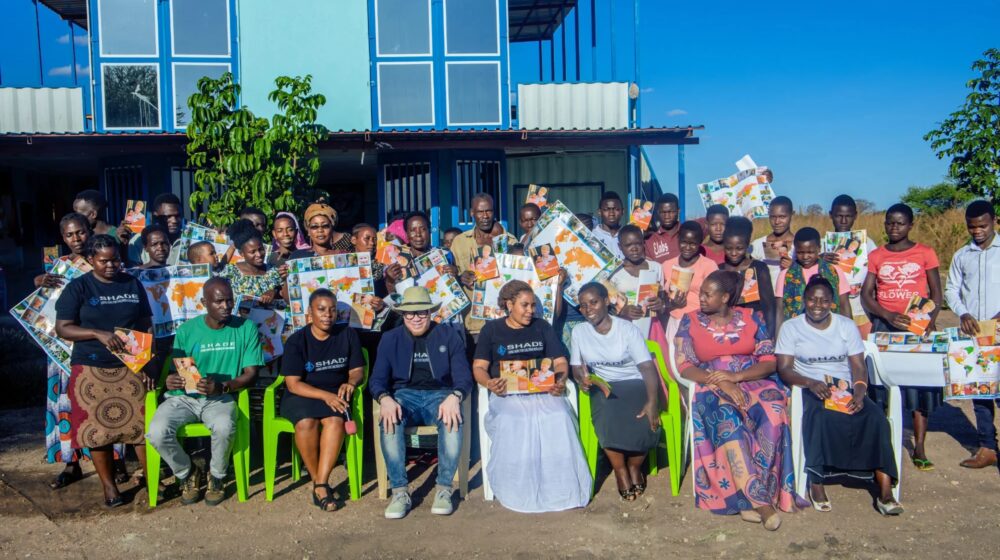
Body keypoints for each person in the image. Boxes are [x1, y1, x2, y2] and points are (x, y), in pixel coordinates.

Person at [673, 270, 797, 530]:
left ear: (726, 297)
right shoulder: (690, 320)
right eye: (702, 293)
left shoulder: (753, 317)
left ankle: (756, 493)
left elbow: (768, 360)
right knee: (728, 418)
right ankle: (760, 503)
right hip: (711, 383)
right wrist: (722, 381)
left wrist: (737, 376)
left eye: (708, 294)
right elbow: (685, 366)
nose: (702, 298)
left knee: (774, 411)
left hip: (751, 378)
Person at [775, 277, 902, 515]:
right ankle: (817, 481)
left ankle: (885, 492)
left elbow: (857, 364)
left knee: (875, 418)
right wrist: (809, 382)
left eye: (823, 300)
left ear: (832, 302)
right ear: (804, 300)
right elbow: (784, 368)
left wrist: (861, 390)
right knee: (820, 417)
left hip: (845, 387)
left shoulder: (845, 325)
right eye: (812, 299)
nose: (817, 305)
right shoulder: (791, 327)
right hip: (811, 387)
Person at [54, 234, 155, 507]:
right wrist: (96, 333)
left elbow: (145, 323)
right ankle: (109, 488)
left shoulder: (132, 283)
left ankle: (150, 478)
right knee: (98, 429)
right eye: (104, 261)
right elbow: (62, 327)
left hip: (130, 364)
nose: (112, 265)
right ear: (90, 261)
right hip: (91, 366)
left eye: (116, 260)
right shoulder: (78, 288)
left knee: (140, 425)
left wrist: (144, 361)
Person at [473, 280, 591, 512]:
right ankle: (517, 486)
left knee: (558, 417)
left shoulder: (542, 327)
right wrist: (489, 383)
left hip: (542, 392)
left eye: (533, 305)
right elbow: (479, 367)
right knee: (515, 421)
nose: (531, 311)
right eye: (525, 305)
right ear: (509, 304)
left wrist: (559, 380)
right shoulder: (492, 330)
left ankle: (559, 487)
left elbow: (559, 361)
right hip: (507, 395)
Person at [147, 277, 263, 506]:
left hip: (220, 397)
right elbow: (179, 370)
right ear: (204, 302)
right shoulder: (187, 330)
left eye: (230, 300)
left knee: (224, 426)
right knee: (157, 432)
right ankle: (187, 472)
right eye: (219, 301)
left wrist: (224, 386)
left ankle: (217, 476)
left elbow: (251, 374)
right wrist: (173, 380)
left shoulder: (245, 327)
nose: (226, 306)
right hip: (184, 399)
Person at [38, 213, 125, 489]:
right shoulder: (60, 266)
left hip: (99, 348)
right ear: (62, 238)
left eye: (80, 233)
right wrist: (39, 281)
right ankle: (71, 462)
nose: (76, 239)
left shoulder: (106, 261)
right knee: (67, 405)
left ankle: (115, 461)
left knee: (107, 403)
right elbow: (43, 304)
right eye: (69, 235)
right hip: (63, 346)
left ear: (90, 230)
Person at [370, 286, 473, 519]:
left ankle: (444, 489)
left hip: (440, 394)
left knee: (452, 420)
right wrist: (384, 398)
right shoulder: (390, 339)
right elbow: (376, 379)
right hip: (404, 394)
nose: (416, 318)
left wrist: (455, 396)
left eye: (422, 313)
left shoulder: (448, 335)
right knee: (389, 421)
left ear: (430, 312)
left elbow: (464, 377)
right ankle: (399, 491)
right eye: (410, 313)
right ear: (402, 314)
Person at [861, 203, 943, 470]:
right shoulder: (876, 255)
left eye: (899, 223)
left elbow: (936, 294)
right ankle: (885, 444)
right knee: (883, 387)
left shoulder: (925, 253)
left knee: (919, 389)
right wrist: (885, 314)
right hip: (886, 327)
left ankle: (919, 446)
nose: (893, 227)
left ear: (910, 225)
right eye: (889, 222)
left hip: (915, 329)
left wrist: (928, 320)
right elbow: (867, 295)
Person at [571, 282, 662, 500]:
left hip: (634, 382)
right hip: (603, 384)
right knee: (606, 414)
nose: (588, 309)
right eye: (583, 306)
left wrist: (652, 401)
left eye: (593, 302)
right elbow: (576, 365)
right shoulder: (579, 332)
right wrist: (582, 379)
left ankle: (634, 466)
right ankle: (620, 469)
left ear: (606, 301)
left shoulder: (627, 329)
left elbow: (647, 367)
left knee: (644, 419)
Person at [280, 289, 365, 512]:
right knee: (306, 422)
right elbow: (293, 384)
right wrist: (325, 396)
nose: (327, 314)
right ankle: (319, 481)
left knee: (335, 422)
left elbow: (357, 370)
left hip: (335, 394)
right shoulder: (297, 341)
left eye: (332, 309)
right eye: (321, 309)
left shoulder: (347, 335)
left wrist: (351, 383)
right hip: (304, 394)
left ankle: (320, 483)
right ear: (310, 313)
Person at [944, 200, 1000, 469]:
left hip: (998, 332)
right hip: (975, 335)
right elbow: (952, 290)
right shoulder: (961, 255)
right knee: (981, 393)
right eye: (971, 226)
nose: (977, 231)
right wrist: (963, 313)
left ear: (994, 221)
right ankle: (987, 447)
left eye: (982, 225)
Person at [451, 193, 517, 344]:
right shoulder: (459, 242)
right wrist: (461, 277)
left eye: (489, 211)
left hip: (504, 320)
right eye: (480, 212)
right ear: (472, 213)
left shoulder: (511, 240)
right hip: (473, 324)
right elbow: (452, 277)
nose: (485, 216)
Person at [822, 194, 879, 336]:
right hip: (830, 310)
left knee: (863, 350)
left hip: (862, 310)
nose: (843, 221)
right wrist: (820, 259)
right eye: (838, 216)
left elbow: (877, 275)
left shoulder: (868, 244)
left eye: (848, 216)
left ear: (855, 216)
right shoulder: (822, 244)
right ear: (830, 215)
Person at [775, 228, 851, 329]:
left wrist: (850, 332)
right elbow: (780, 310)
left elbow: (844, 304)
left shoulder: (834, 271)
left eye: (810, 252)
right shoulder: (785, 275)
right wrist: (778, 340)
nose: (805, 256)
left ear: (819, 249)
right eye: (800, 252)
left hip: (830, 332)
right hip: (797, 333)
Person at [661, 221, 718, 339]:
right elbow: (661, 298)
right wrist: (671, 304)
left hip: (700, 322)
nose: (687, 247)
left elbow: (715, 298)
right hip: (675, 322)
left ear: (700, 243)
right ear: (678, 240)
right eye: (684, 242)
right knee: (674, 357)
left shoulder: (708, 266)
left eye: (693, 244)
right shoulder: (667, 265)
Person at [720, 217, 777, 336]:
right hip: (727, 329)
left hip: (755, 328)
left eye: (739, 248)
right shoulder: (719, 270)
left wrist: (770, 336)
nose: (734, 253)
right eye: (729, 248)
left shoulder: (758, 268)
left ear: (747, 245)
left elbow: (769, 306)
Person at [608, 224, 665, 337]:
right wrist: (622, 311)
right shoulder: (614, 272)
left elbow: (663, 299)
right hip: (624, 328)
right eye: (628, 245)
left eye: (638, 243)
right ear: (620, 246)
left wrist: (661, 304)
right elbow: (609, 305)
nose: (634, 248)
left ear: (643, 243)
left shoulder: (656, 267)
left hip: (652, 327)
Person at [219, 219, 284, 303]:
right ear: (241, 253)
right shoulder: (230, 272)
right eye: (252, 252)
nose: (259, 254)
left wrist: (274, 291)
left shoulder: (273, 271)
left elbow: (285, 294)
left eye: (260, 249)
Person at [121, 193, 184, 266]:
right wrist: (123, 246)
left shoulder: (191, 240)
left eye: (178, 216)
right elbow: (133, 272)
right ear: (155, 216)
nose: (174, 221)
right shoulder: (138, 241)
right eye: (168, 216)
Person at [750, 196, 795, 287]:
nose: (777, 222)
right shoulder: (757, 245)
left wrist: (794, 268)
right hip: (764, 299)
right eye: (773, 217)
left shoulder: (800, 246)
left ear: (792, 214)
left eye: (782, 217)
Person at [644, 193, 682, 263]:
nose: (667, 216)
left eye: (670, 212)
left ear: (678, 211)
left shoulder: (687, 232)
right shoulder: (649, 240)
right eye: (663, 212)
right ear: (658, 212)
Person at [591, 192, 625, 260]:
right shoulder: (592, 235)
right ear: (599, 212)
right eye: (606, 209)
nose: (611, 213)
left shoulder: (628, 235)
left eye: (616, 209)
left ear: (622, 211)